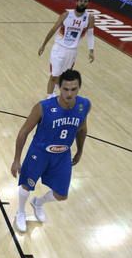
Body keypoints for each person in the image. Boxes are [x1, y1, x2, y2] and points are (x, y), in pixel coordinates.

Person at [10, 69, 90, 233]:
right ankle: (20, 211)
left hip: (62, 155)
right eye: (66, 89)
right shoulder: (43, 107)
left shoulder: (84, 105)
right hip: (39, 153)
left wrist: (80, 151)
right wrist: (17, 159)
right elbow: (23, 132)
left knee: (62, 195)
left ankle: (38, 203)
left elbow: (82, 129)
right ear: (59, 88)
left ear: (79, 88)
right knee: (26, 185)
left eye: (73, 89)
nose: (69, 93)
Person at [38, 0, 95, 98]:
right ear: (77, 2)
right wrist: (43, 45)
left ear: (88, 4)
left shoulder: (89, 18)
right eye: (81, 1)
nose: (83, 3)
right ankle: (49, 97)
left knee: (63, 76)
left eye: (85, 1)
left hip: (72, 51)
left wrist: (91, 50)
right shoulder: (66, 14)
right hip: (59, 49)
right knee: (54, 75)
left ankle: (54, 92)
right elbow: (53, 29)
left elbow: (90, 35)